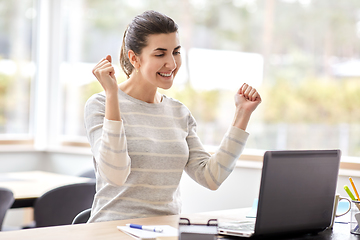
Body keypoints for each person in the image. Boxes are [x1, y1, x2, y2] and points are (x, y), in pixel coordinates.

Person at [84, 10, 261, 223]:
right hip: (111, 231)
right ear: (134, 58)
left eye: (175, 52)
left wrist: (242, 115)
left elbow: (211, 177)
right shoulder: (100, 105)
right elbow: (115, 175)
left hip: (164, 232)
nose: (172, 63)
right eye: (160, 54)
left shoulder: (179, 113)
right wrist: (112, 95)